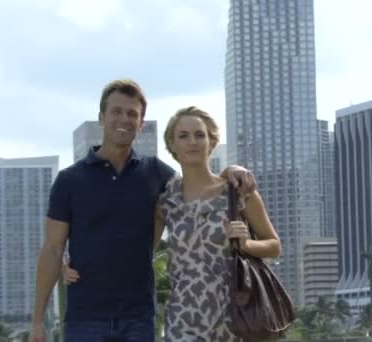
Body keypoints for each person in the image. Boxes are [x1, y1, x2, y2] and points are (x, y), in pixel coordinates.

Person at [30, 80, 256, 342]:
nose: (123, 119)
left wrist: (233, 170)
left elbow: (200, 185)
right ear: (102, 118)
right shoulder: (69, 180)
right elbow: (52, 249)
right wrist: (37, 321)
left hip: (138, 319)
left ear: (141, 124)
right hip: (84, 319)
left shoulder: (157, 173)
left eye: (132, 114)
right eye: (116, 112)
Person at [64, 106, 282, 341]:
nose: (192, 142)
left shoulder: (237, 192)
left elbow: (274, 246)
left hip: (236, 319)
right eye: (183, 136)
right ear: (173, 145)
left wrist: (247, 244)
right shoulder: (167, 200)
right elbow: (136, 253)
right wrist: (73, 260)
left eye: (200, 135)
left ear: (212, 141)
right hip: (183, 321)